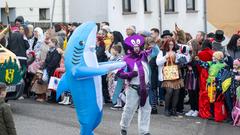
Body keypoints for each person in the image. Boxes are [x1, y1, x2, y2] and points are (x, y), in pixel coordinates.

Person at [117, 35, 152, 135]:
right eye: (134, 47)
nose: (136, 48)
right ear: (131, 47)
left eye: (138, 46)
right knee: (129, 109)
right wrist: (130, 74)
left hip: (145, 88)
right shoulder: (127, 59)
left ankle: (144, 131)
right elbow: (119, 73)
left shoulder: (144, 56)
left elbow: (154, 50)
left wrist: (151, 40)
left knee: (146, 109)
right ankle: (124, 127)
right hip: (133, 88)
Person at [156, 38, 184, 116]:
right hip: (167, 75)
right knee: (169, 92)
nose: (171, 46)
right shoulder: (162, 52)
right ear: (166, 44)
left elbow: (181, 62)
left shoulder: (176, 52)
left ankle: (174, 109)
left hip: (176, 74)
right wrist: (166, 57)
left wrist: (180, 58)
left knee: (176, 92)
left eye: (172, 44)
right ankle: (166, 109)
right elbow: (158, 63)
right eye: (169, 44)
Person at [197, 39, 214, 119]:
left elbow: (199, 67)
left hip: (203, 74)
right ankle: (211, 112)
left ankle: (203, 112)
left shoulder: (200, 54)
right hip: (212, 74)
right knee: (211, 93)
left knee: (203, 93)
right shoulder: (213, 53)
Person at [148, 28, 161, 114]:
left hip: (153, 71)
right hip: (150, 71)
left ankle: (153, 107)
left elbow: (156, 60)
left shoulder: (155, 48)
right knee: (151, 89)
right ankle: (153, 105)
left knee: (152, 88)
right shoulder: (151, 48)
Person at [107, 45, 124, 109]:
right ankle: (118, 103)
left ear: (116, 51)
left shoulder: (120, 58)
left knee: (117, 90)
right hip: (113, 76)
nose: (111, 51)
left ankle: (125, 102)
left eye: (113, 50)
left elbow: (119, 68)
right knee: (113, 90)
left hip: (117, 76)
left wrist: (112, 72)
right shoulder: (113, 57)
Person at [96, 35, 111, 103]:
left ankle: (106, 98)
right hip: (99, 66)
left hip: (101, 66)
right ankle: (105, 97)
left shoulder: (101, 47)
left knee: (103, 82)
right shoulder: (97, 47)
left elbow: (98, 55)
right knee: (101, 82)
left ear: (98, 40)